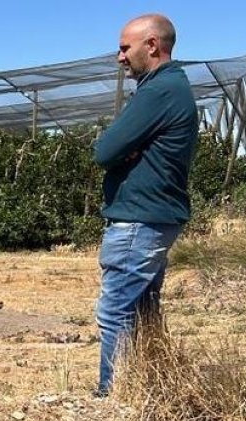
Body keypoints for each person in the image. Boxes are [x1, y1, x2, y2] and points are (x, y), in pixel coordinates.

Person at [92, 13, 198, 396]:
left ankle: (114, 398)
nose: (120, 57)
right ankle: (146, 392)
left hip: (138, 219)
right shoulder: (172, 88)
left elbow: (104, 151)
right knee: (142, 311)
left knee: (116, 310)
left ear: (152, 45)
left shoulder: (158, 92)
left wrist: (125, 149)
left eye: (125, 48)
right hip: (156, 217)